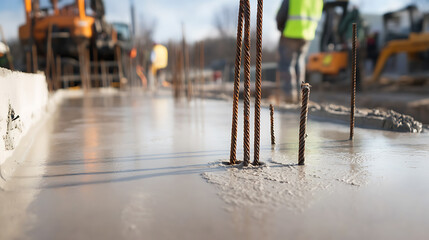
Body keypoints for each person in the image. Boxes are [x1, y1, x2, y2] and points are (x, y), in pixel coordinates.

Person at [276, 0, 324, 103]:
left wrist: (281, 28)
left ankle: (289, 95)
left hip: (290, 32)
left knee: (286, 63)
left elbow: (281, 15)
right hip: (307, 34)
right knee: (299, 62)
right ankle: (300, 96)